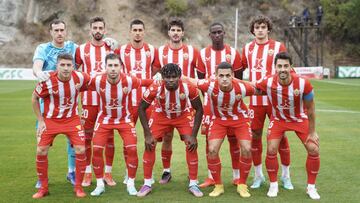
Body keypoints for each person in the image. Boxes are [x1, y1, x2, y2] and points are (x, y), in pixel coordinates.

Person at [254, 52, 320, 200]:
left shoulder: (304, 83)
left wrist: (313, 132)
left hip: (299, 118)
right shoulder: (268, 82)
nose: (282, 69)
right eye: (279, 66)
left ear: (291, 67)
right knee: (271, 149)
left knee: (313, 149)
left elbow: (311, 109)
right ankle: (273, 185)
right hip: (278, 119)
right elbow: (252, 87)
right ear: (275, 68)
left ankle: (311, 187)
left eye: (285, 66)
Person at [184, 62, 255, 198]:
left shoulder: (242, 87)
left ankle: (242, 185)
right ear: (216, 76)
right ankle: (218, 185)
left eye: (228, 75)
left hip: (240, 119)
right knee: (212, 150)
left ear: (233, 76)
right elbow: (189, 80)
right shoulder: (209, 85)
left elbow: (260, 89)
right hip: (219, 120)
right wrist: (161, 78)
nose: (224, 78)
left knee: (246, 149)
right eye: (221, 75)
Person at [241, 15, 293, 190]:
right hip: (255, 101)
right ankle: (258, 175)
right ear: (253, 30)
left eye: (263, 27)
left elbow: (287, 71)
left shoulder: (278, 46)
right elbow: (241, 71)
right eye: (257, 27)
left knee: (281, 136)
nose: (260, 30)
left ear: (268, 29)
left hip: (275, 99)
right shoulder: (247, 48)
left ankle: (286, 176)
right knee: (255, 136)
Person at [89, 53, 153, 196]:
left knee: (131, 149)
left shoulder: (129, 80)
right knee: (97, 149)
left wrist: (158, 78)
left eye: (115, 65)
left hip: (124, 119)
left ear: (121, 67)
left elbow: (146, 82)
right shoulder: (98, 80)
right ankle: (100, 184)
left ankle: (130, 183)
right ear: (105, 67)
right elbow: (78, 83)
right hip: (104, 119)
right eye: (110, 66)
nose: (113, 69)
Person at [137, 63, 203, 197]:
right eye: (167, 77)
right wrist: (147, 134)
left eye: (174, 77)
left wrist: (194, 135)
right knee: (150, 144)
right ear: (162, 77)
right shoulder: (155, 87)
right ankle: (147, 183)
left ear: (179, 77)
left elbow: (199, 109)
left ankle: (193, 183)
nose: (171, 80)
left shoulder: (188, 87)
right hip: (161, 114)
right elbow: (141, 108)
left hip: (182, 115)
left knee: (191, 144)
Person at [31, 53, 89, 198]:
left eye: (69, 65)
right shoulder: (48, 80)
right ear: (57, 66)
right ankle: (43, 188)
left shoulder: (81, 77)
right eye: (62, 65)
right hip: (51, 120)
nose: (65, 68)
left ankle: (78, 187)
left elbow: (93, 86)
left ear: (73, 67)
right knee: (41, 150)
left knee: (81, 148)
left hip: (72, 119)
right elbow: (34, 98)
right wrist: (41, 120)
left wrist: (84, 113)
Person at [153, 18, 199, 184]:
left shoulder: (192, 51)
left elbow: (199, 76)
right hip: (165, 103)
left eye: (179, 30)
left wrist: (188, 82)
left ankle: (192, 175)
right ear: (168, 32)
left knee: (189, 139)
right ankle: (166, 171)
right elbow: (156, 73)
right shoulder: (160, 52)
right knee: (166, 138)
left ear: (183, 33)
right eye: (173, 30)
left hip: (186, 103)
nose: (176, 33)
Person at [32, 19, 77, 188]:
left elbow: (90, 55)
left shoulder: (73, 47)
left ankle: (71, 172)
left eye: (62, 30)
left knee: (72, 141)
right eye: (56, 30)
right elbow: (37, 66)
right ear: (51, 32)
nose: (59, 33)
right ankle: (42, 177)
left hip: (69, 104)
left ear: (66, 31)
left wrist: (109, 43)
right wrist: (39, 73)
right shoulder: (43, 48)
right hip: (47, 104)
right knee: (42, 142)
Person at [197, 22, 243, 188]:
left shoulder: (233, 53)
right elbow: (201, 80)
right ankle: (211, 177)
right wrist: (210, 100)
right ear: (210, 35)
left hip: (232, 104)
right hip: (210, 105)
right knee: (210, 142)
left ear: (224, 33)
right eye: (214, 33)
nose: (217, 35)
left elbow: (238, 79)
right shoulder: (202, 54)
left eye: (219, 32)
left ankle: (237, 176)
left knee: (234, 140)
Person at [75, 16, 116, 187]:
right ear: (90, 30)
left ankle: (108, 173)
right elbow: (75, 73)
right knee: (87, 137)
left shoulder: (111, 48)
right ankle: (87, 173)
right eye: (95, 28)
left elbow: (117, 69)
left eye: (101, 28)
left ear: (105, 30)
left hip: (107, 100)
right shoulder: (81, 49)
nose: (98, 31)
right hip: (89, 100)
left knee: (109, 138)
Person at [116, 19, 157, 185]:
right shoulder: (121, 50)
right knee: (128, 140)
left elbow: (156, 72)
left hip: (148, 102)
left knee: (151, 137)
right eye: (135, 30)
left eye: (140, 29)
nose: (138, 33)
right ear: (130, 32)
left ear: (144, 31)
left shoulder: (152, 51)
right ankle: (128, 172)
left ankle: (150, 173)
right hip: (128, 102)